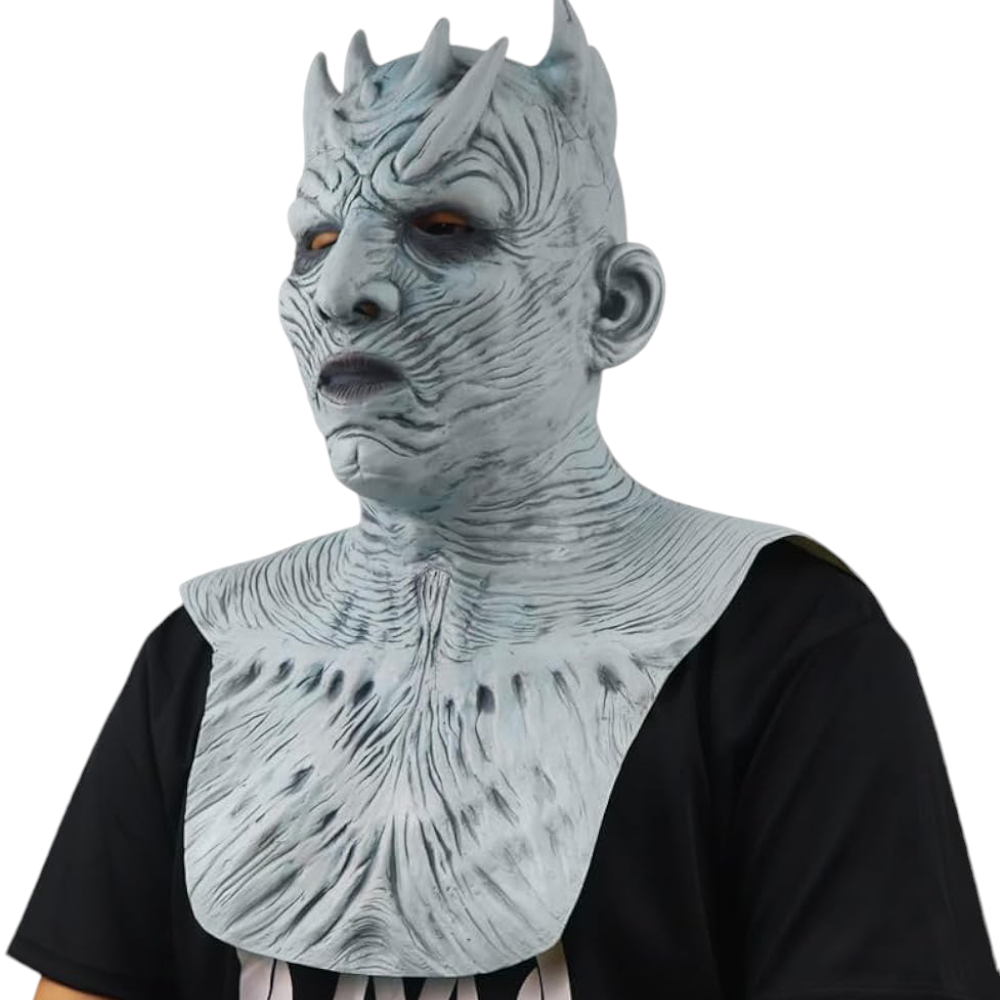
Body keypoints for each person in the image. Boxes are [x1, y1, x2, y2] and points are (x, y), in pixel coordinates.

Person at [8, 3, 1000, 998]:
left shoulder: (784, 649)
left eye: (444, 228)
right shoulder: (204, 655)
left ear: (615, 305)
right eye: (316, 238)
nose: (341, 287)